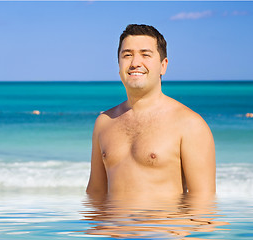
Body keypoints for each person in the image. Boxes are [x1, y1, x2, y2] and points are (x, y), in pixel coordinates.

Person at [86, 24, 215, 201]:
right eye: (127, 55)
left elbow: (203, 202)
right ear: (119, 65)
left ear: (163, 65)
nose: (135, 63)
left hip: (160, 227)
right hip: (113, 229)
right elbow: (95, 193)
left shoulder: (189, 124)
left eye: (145, 54)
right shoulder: (104, 122)